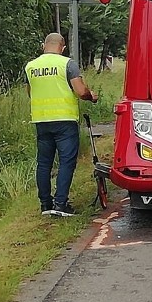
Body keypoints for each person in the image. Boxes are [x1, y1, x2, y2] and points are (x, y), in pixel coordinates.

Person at [25, 33, 98, 216]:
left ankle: (45, 204)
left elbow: (30, 93)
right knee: (66, 161)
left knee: (44, 163)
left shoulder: (31, 66)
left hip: (41, 120)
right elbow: (80, 91)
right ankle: (60, 204)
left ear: (44, 45)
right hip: (64, 120)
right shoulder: (67, 64)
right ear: (62, 47)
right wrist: (92, 96)